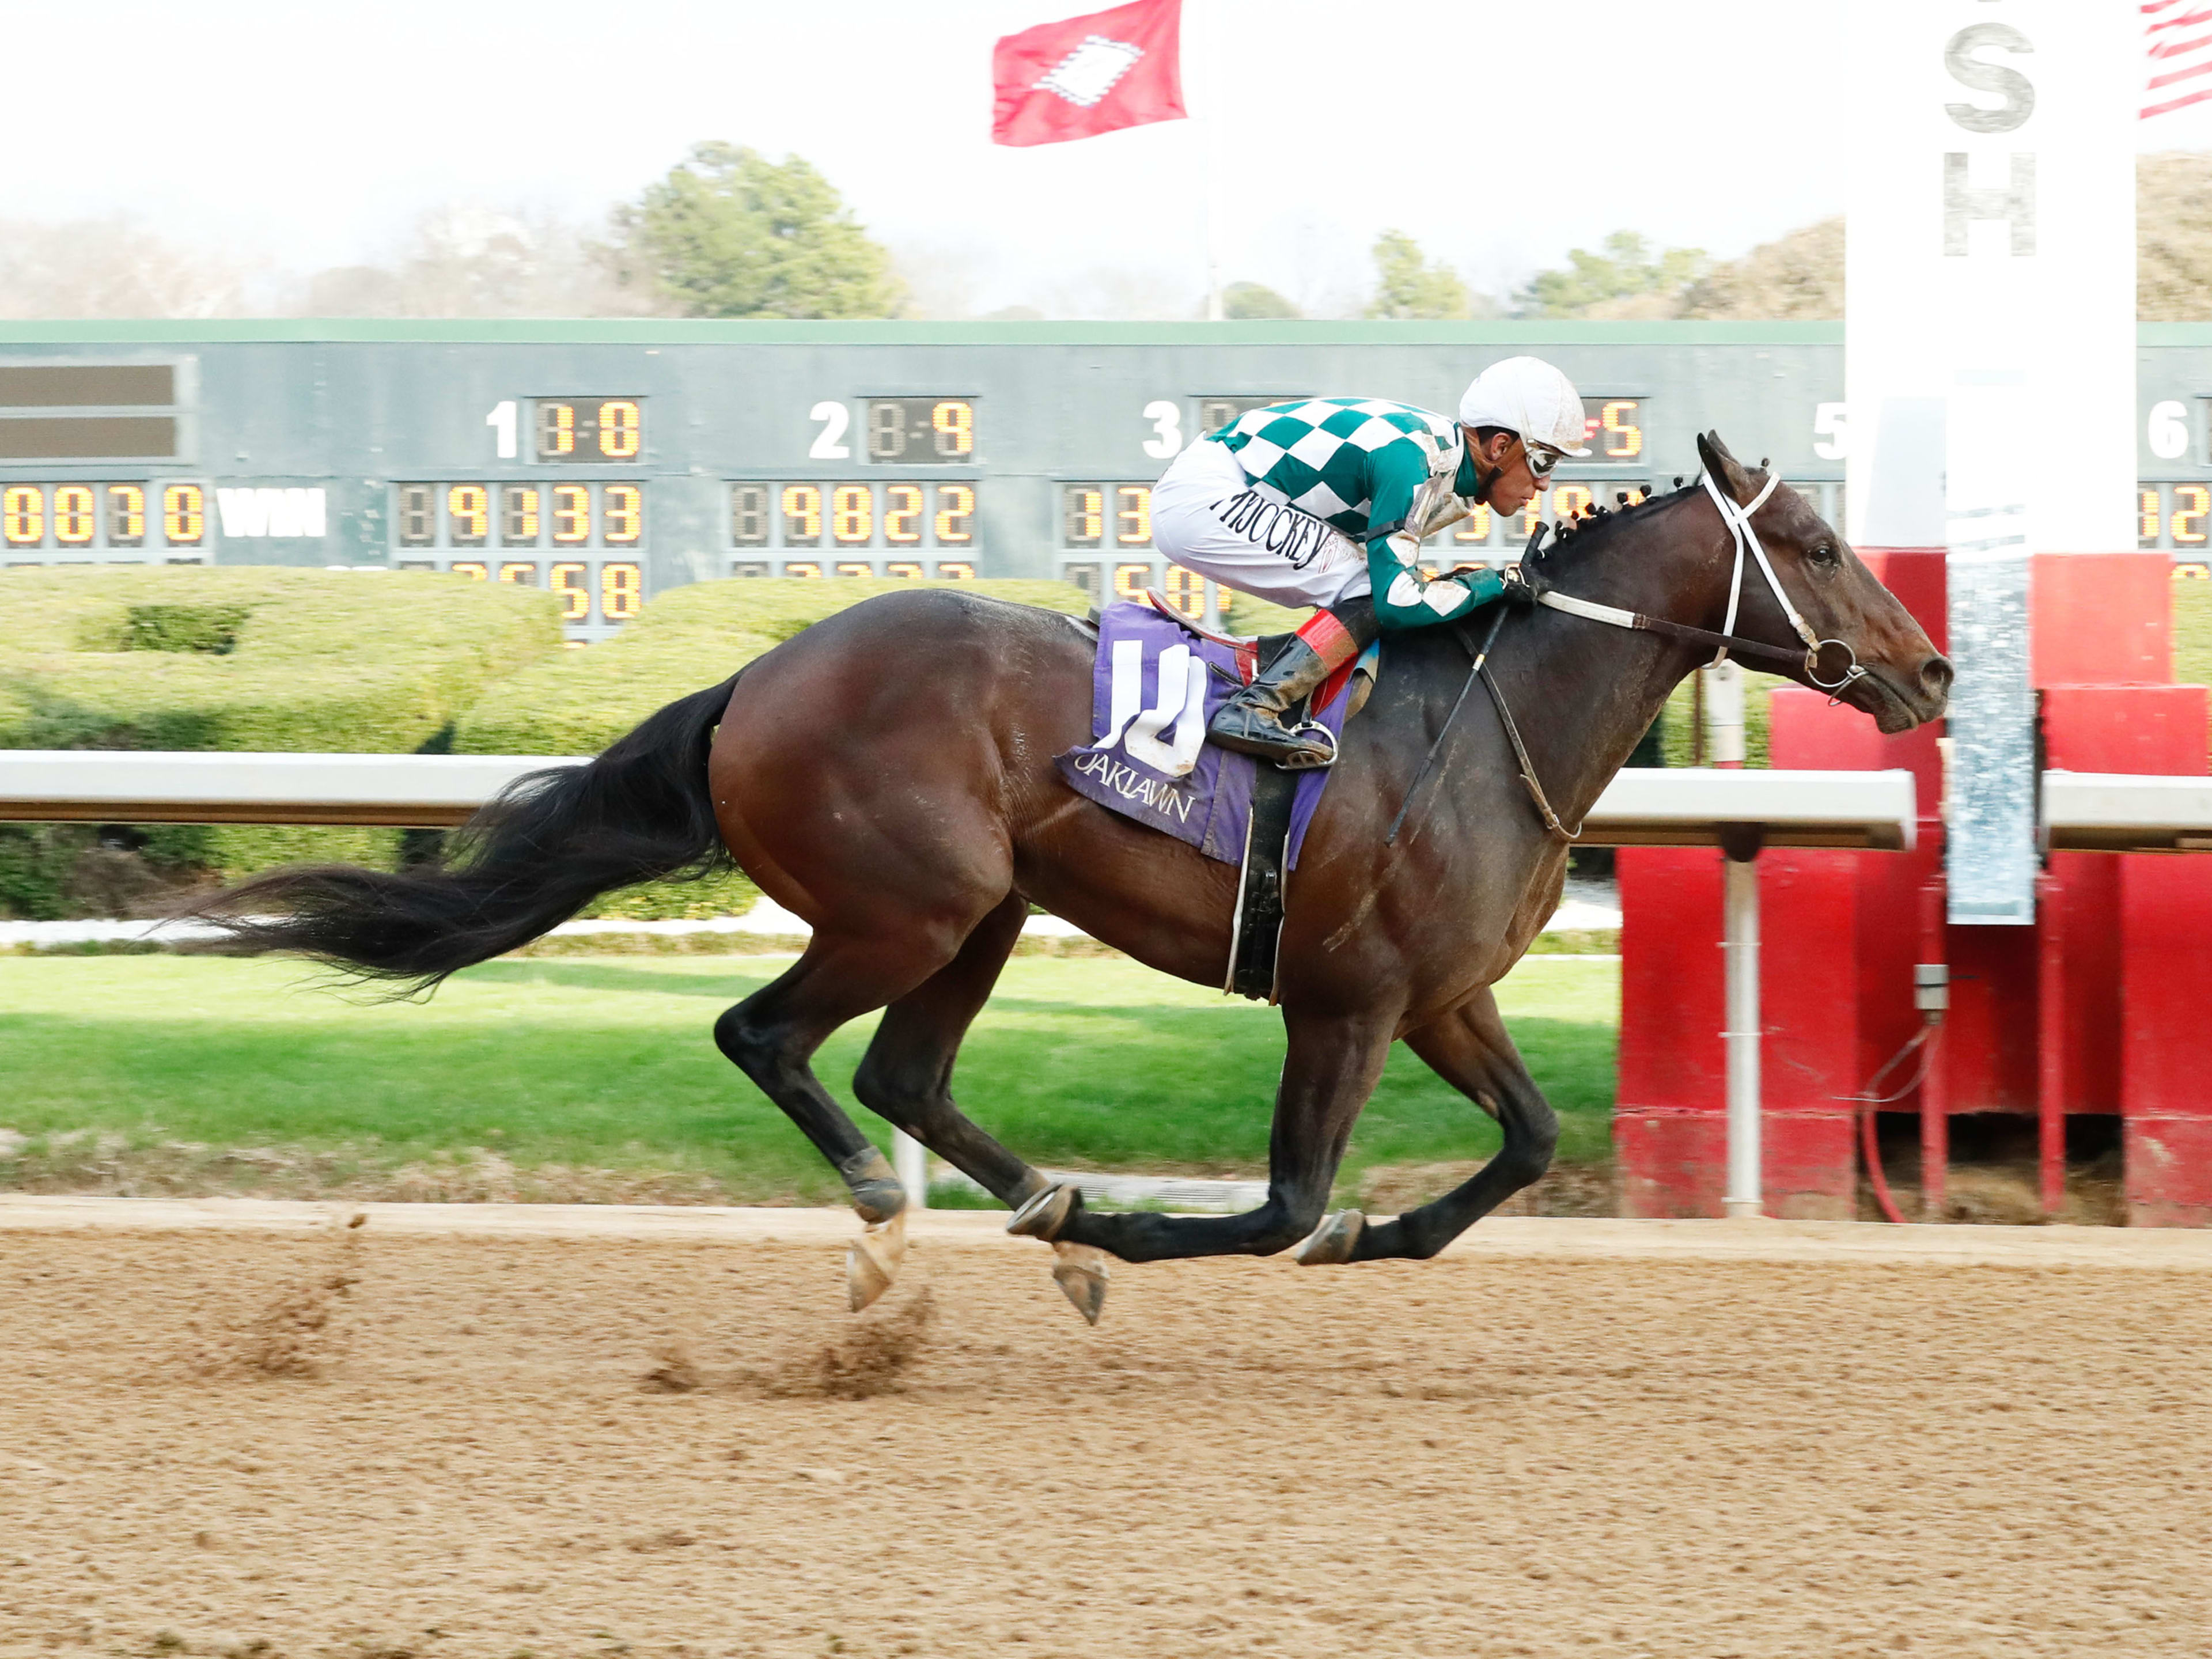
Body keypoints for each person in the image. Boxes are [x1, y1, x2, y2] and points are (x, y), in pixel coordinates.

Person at [1146, 356, 1590, 769]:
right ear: (1499, 446)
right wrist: (1494, 583)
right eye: (1543, 461)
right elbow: (1396, 602)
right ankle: (1253, 708)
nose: (1545, 483)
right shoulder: (1415, 462)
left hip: (1214, 486)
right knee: (1369, 588)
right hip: (1205, 495)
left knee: (1368, 584)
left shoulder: (1442, 463)